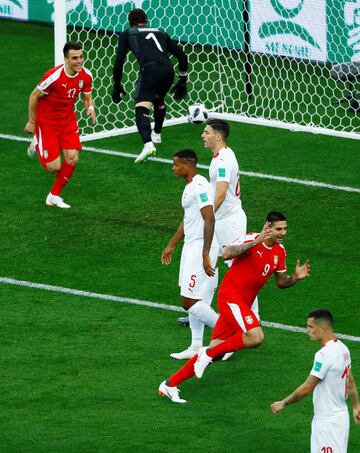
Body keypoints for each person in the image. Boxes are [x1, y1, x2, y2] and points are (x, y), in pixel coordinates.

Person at [159, 211, 311, 403]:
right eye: (278, 229)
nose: (282, 233)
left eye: (285, 229)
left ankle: (169, 384)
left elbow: (281, 281)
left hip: (242, 303)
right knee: (256, 337)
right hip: (230, 297)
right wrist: (256, 242)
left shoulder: (280, 252)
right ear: (268, 227)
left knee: (216, 349)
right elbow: (227, 253)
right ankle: (206, 354)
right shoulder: (251, 239)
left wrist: (295, 278)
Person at [178, 119, 252, 328]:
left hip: (229, 222)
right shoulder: (221, 156)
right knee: (210, 265)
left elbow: (219, 195)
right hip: (221, 219)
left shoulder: (223, 161)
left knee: (240, 271)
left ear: (218, 137)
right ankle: (201, 310)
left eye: (207, 132)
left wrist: (206, 217)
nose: (203, 135)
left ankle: (251, 319)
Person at [271, 309, 360, 453]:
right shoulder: (344, 349)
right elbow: (350, 381)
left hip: (327, 423)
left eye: (311, 327)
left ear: (323, 328)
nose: (307, 330)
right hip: (341, 418)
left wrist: (284, 402)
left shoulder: (323, 355)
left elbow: (308, 386)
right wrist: (356, 406)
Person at [161, 149, 219, 360]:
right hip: (191, 246)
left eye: (176, 164)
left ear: (189, 163)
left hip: (201, 248)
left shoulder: (200, 185)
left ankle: (230, 331)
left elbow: (209, 218)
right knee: (196, 298)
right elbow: (188, 219)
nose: (173, 167)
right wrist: (172, 244)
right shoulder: (190, 186)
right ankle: (196, 346)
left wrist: (205, 253)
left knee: (189, 301)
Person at [24, 41, 96, 209]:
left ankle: (54, 195)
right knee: (53, 167)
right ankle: (36, 143)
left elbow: (87, 96)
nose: (79, 61)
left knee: (72, 158)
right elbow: (34, 96)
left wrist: (90, 107)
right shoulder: (53, 76)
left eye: (81, 57)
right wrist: (32, 122)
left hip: (68, 120)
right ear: (66, 59)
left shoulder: (86, 75)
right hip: (47, 122)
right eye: (75, 58)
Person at [111, 8, 188, 164]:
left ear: (130, 22)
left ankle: (147, 144)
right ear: (146, 20)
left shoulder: (128, 33)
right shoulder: (160, 31)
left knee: (142, 107)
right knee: (158, 99)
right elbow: (182, 55)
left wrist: (117, 84)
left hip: (150, 70)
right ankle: (157, 134)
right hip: (168, 70)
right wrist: (182, 80)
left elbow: (119, 62)